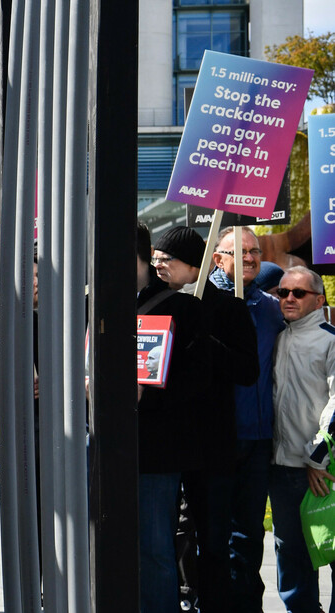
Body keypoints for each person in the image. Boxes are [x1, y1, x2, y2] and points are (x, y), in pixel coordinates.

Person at [151, 226, 258, 613]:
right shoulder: (152, 302)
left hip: (211, 445)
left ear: (193, 266)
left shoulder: (228, 308)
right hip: (164, 443)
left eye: (168, 261)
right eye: (156, 260)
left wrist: (205, 338)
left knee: (214, 539)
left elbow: (248, 371)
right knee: (162, 537)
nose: (159, 266)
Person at [208, 227, 285, 611]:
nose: (250, 258)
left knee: (250, 534)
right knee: (214, 533)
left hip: (257, 440)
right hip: (215, 439)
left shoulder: (271, 308)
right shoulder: (199, 302)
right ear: (217, 257)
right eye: (239, 252)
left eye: (255, 251)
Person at [136, 223, 208, 613]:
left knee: (153, 547)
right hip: (102, 442)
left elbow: (197, 381)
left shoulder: (181, 308)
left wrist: (149, 393)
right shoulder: (93, 300)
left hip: (156, 449)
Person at [269, 266, 335, 613]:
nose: (289, 298)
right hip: (282, 470)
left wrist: (317, 459)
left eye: (298, 293)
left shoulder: (331, 340)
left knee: (334, 551)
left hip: (322, 472)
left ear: (319, 299)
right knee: (291, 559)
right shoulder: (278, 336)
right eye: (282, 292)